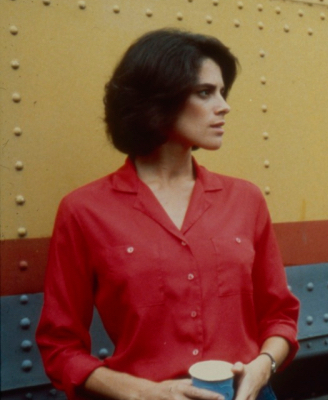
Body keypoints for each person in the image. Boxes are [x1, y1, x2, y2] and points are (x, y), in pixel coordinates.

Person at [36, 29, 300, 400]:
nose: (224, 106)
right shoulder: (85, 211)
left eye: (222, 92)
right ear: (157, 100)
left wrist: (263, 368)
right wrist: (143, 392)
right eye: (205, 92)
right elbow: (59, 346)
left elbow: (280, 315)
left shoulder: (246, 199)